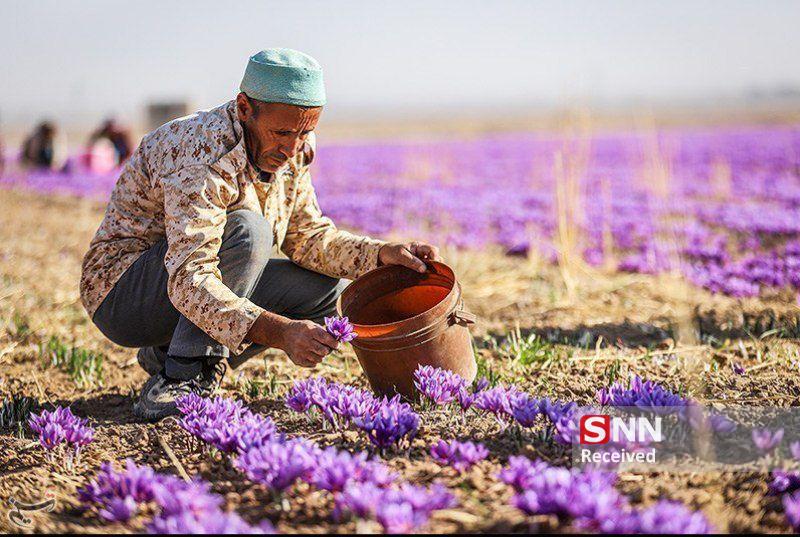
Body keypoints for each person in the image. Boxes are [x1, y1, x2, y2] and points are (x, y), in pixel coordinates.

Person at [80, 49, 441, 421]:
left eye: (305, 132)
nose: (292, 148)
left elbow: (308, 238)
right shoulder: (201, 152)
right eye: (281, 132)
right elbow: (190, 278)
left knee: (329, 295)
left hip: (182, 290)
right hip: (123, 293)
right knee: (248, 231)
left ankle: (166, 352)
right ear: (243, 109)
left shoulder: (295, 148)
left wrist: (381, 255)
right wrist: (281, 332)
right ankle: (182, 373)